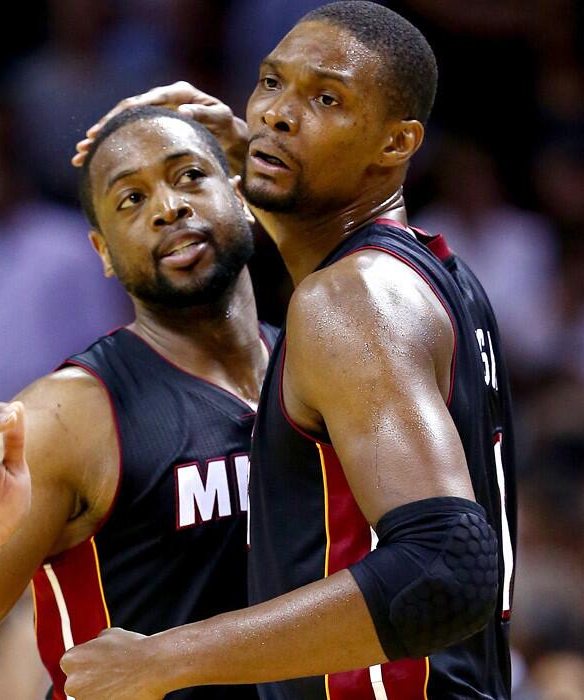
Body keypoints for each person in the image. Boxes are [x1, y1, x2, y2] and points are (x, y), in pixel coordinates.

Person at [64, 3, 516, 699]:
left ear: (396, 145)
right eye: (272, 83)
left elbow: (447, 568)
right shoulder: (435, 274)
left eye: (325, 98)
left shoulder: (350, 300)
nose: (277, 114)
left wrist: (162, 660)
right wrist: (244, 161)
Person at [0, 106, 272, 700]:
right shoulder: (70, 416)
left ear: (240, 196)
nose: (168, 207)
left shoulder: (310, 366)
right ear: (103, 253)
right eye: (130, 200)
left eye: (189, 175)